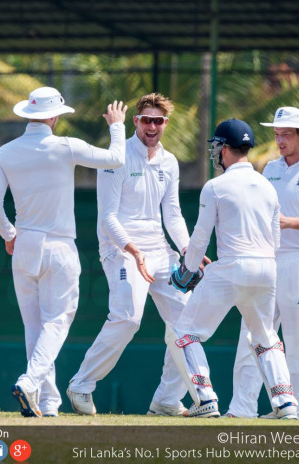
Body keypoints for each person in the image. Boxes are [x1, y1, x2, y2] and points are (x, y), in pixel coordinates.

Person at [0, 87, 127, 418]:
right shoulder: (65, 147)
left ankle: (48, 404)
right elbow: (116, 158)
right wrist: (117, 125)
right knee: (57, 320)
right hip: (59, 245)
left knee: (34, 327)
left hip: (24, 244)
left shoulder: (5, 152)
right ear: (53, 116)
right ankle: (32, 381)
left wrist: (9, 234)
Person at [67, 93, 207, 416]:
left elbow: (172, 214)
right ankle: (81, 385)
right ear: (136, 122)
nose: (152, 126)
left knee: (186, 322)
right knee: (128, 317)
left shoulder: (169, 162)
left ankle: (166, 400)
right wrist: (134, 251)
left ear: (166, 124)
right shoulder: (117, 157)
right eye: (147, 120)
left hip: (160, 250)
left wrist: (189, 250)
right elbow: (108, 218)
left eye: (158, 121)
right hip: (121, 249)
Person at [166, 119, 298, 419]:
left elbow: (200, 238)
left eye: (217, 147)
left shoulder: (215, 186)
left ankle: (205, 398)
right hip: (267, 268)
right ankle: (285, 403)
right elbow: (275, 238)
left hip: (232, 267)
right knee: (264, 336)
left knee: (184, 332)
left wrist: (186, 271)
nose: (216, 152)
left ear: (224, 149)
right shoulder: (267, 186)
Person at [226, 107, 299, 420]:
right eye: (276, 133)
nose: (280, 139)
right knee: (252, 335)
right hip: (265, 261)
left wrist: (290, 223)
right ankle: (242, 408)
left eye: (286, 134)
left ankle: (297, 413)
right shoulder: (270, 168)